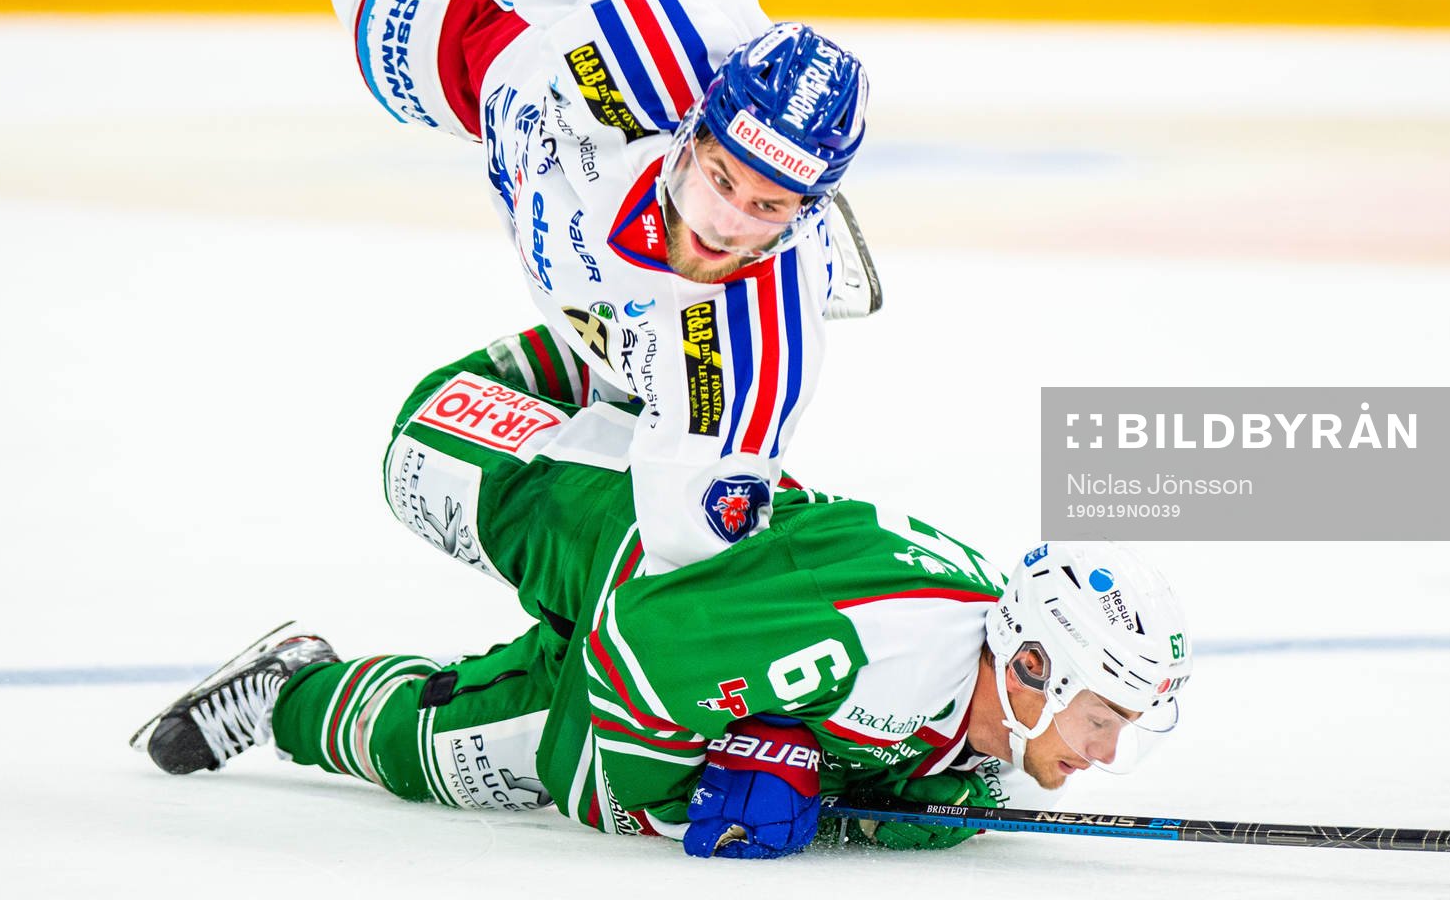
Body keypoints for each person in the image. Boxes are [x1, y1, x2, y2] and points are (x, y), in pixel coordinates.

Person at [179, 0, 879, 574]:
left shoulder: (754, 344)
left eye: (768, 206)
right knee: (379, 15)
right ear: (689, 133)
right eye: (724, 177)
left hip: (622, 324)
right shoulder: (643, 53)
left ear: (805, 218)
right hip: (514, 76)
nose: (726, 223)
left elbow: (693, 551)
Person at [131, 329, 1194, 858]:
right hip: (628, 534)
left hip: (673, 643)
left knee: (439, 754)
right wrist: (680, 796)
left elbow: (905, 785)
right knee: (421, 452)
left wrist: (814, 785)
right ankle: (612, 341)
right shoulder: (877, 646)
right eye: (1102, 716)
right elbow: (640, 659)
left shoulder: (976, 712)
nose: (1103, 750)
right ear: (1031, 666)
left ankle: (281, 691)